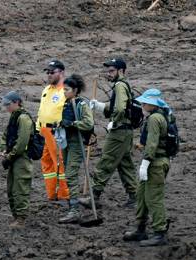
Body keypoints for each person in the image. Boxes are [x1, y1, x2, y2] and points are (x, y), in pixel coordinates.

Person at [87, 58, 138, 208]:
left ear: (121, 71)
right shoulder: (123, 85)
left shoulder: (120, 86)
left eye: (111, 71)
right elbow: (118, 105)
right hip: (126, 132)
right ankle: (134, 197)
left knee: (106, 161)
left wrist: (114, 121)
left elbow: (120, 108)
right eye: (107, 71)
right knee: (125, 164)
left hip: (119, 131)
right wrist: (100, 106)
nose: (108, 74)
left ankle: (94, 197)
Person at [123, 89, 171, 246]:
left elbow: (152, 143)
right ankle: (140, 230)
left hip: (155, 163)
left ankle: (160, 232)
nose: (142, 104)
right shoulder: (159, 115)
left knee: (154, 198)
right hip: (155, 161)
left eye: (145, 102)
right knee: (142, 195)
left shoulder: (154, 119)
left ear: (152, 104)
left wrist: (146, 162)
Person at [57, 74, 94, 224]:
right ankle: (73, 206)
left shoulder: (81, 104)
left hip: (76, 142)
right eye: (63, 89)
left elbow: (88, 124)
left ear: (75, 90)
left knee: (71, 174)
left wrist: (72, 124)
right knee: (67, 173)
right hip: (66, 141)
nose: (64, 92)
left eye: (67, 89)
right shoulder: (65, 103)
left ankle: (74, 211)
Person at [0, 91, 34, 227]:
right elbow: (6, 135)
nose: (6, 107)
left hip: (21, 159)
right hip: (14, 157)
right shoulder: (14, 116)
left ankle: (21, 219)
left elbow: (21, 143)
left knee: (20, 188)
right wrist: (4, 148)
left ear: (16, 103)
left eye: (8, 104)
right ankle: (16, 216)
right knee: (11, 188)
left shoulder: (24, 118)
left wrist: (9, 156)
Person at [37, 60, 69, 203]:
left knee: (59, 163)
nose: (49, 75)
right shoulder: (46, 90)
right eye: (47, 72)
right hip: (44, 131)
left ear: (61, 73)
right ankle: (51, 194)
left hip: (56, 132)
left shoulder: (66, 91)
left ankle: (64, 195)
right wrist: (37, 130)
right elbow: (41, 110)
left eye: (52, 72)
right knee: (47, 163)